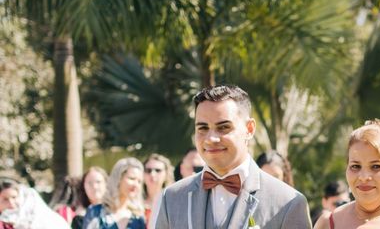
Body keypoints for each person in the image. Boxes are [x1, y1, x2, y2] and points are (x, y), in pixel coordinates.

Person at [153, 84, 312, 228]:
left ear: (249, 129)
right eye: (202, 128)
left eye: (223, 127)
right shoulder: (172, 198)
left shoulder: (288, 203)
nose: (211, 139)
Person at [82, 157, 146, 229]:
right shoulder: (95, 212)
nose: (136, 184)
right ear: (119, 178)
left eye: (139, 181)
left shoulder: (138, 218)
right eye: (132, 178)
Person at [0, 178, 69, 229]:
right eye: (5, 199)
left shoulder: (36, 215)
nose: (11, 202)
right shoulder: (2, 223)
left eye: (14, 197)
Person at [143, 154, 173, 226]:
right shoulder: (134, 203)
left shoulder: (173, 202)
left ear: (166, 174)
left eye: (158, 170)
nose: (152, 174)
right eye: (148, 170)